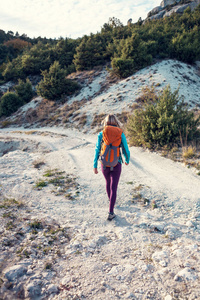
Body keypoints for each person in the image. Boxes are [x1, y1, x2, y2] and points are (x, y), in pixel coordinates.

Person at [93, 114, 130, 221]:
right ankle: (110, 211)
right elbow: (125, 149)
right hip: (116, 163)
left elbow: (97, 150)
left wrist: (95, 165)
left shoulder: (102, 133)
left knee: (107, 183)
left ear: (105, 122)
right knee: (114, 186)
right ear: (116, 121)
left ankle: (111, 201)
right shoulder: (120, 133)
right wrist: (127, 160)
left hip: (104, 164)